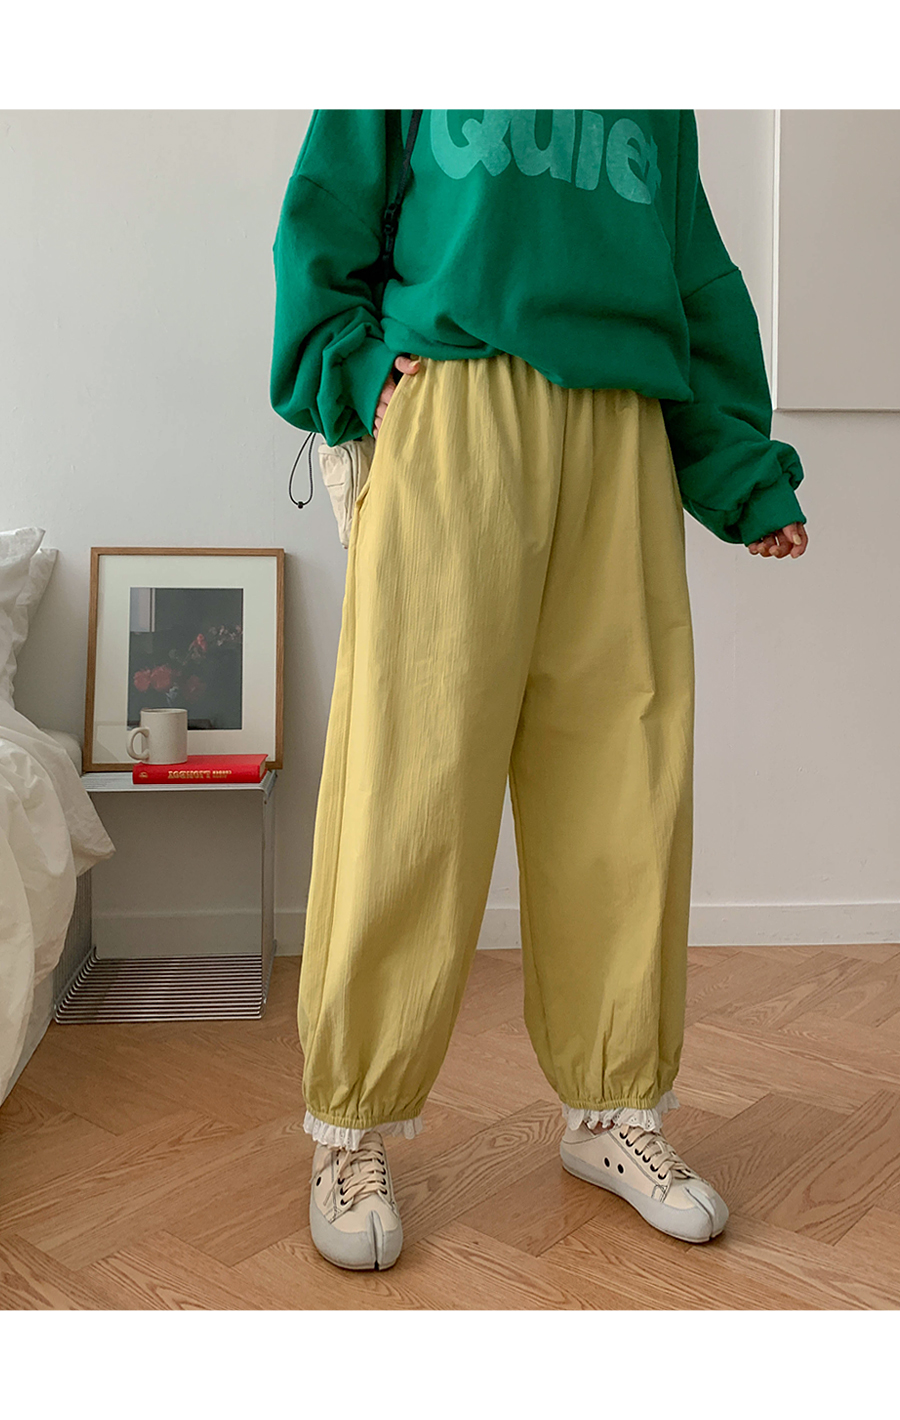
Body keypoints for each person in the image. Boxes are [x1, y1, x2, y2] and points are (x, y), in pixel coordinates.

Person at [270, 109, 809, 1272]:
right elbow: (329, 208)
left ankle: (614, 1109)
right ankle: (352, 1126)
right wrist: (350, 367)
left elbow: (693, 273)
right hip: (453, 407)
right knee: (411, 780)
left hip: (623, 425)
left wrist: (740, 470)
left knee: (623, 783)